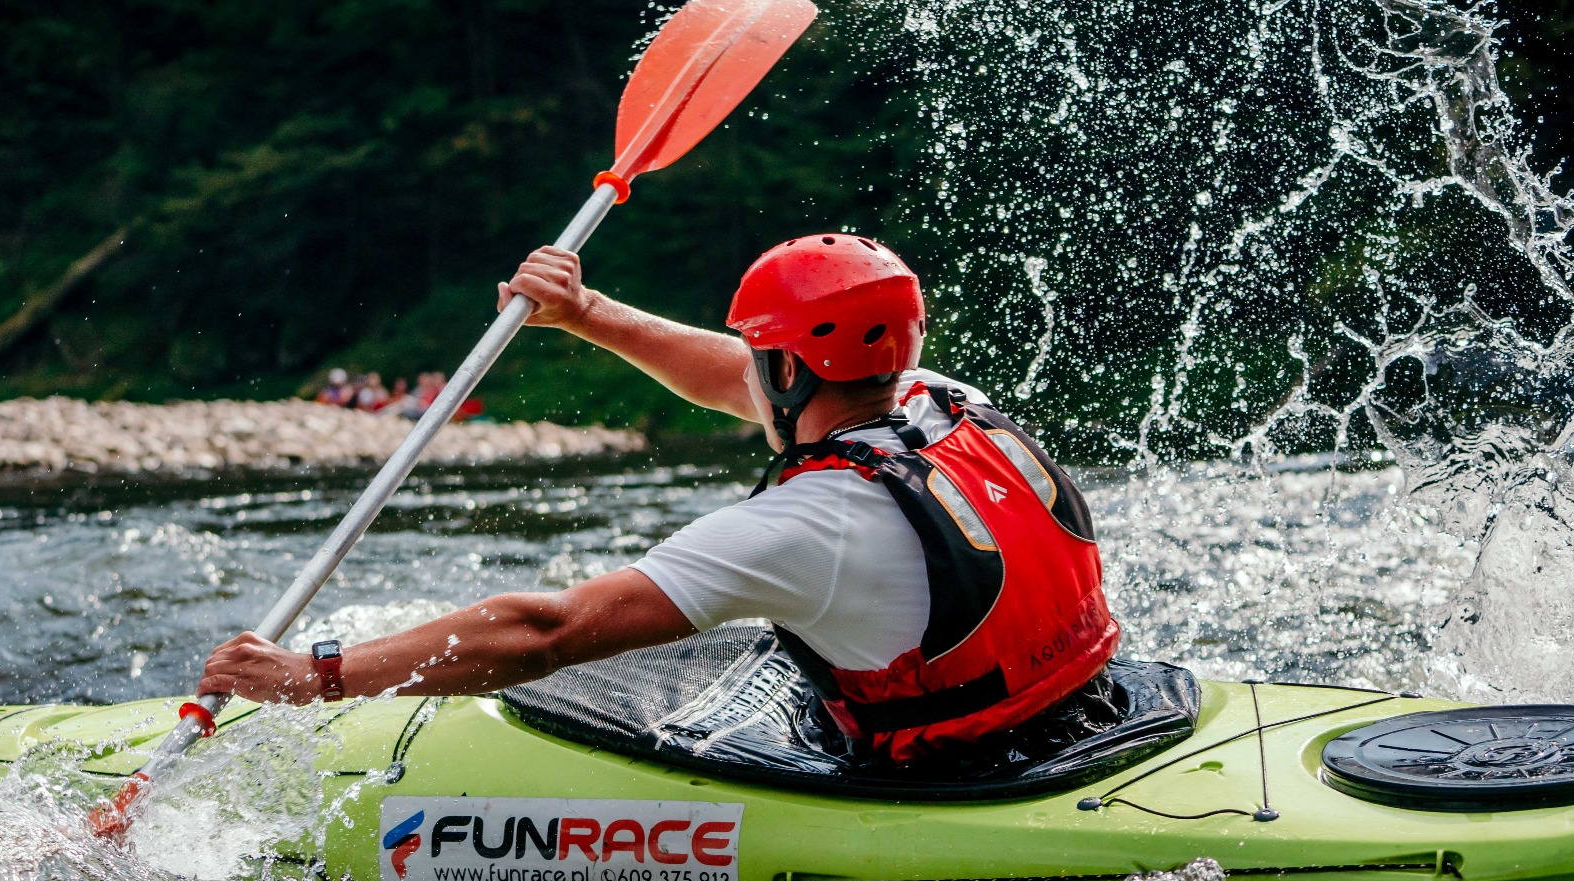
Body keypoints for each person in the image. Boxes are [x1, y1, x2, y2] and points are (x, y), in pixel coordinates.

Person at [200, 235, 1120, 770]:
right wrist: (587, 311)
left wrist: (312, 675)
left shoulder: (807, 526)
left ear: (791, 366)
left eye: (764, 351)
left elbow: (546, 632)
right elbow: (738, 380)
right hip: (1088, 707)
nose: (750, 369)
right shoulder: (934, 398)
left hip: (964, 769)